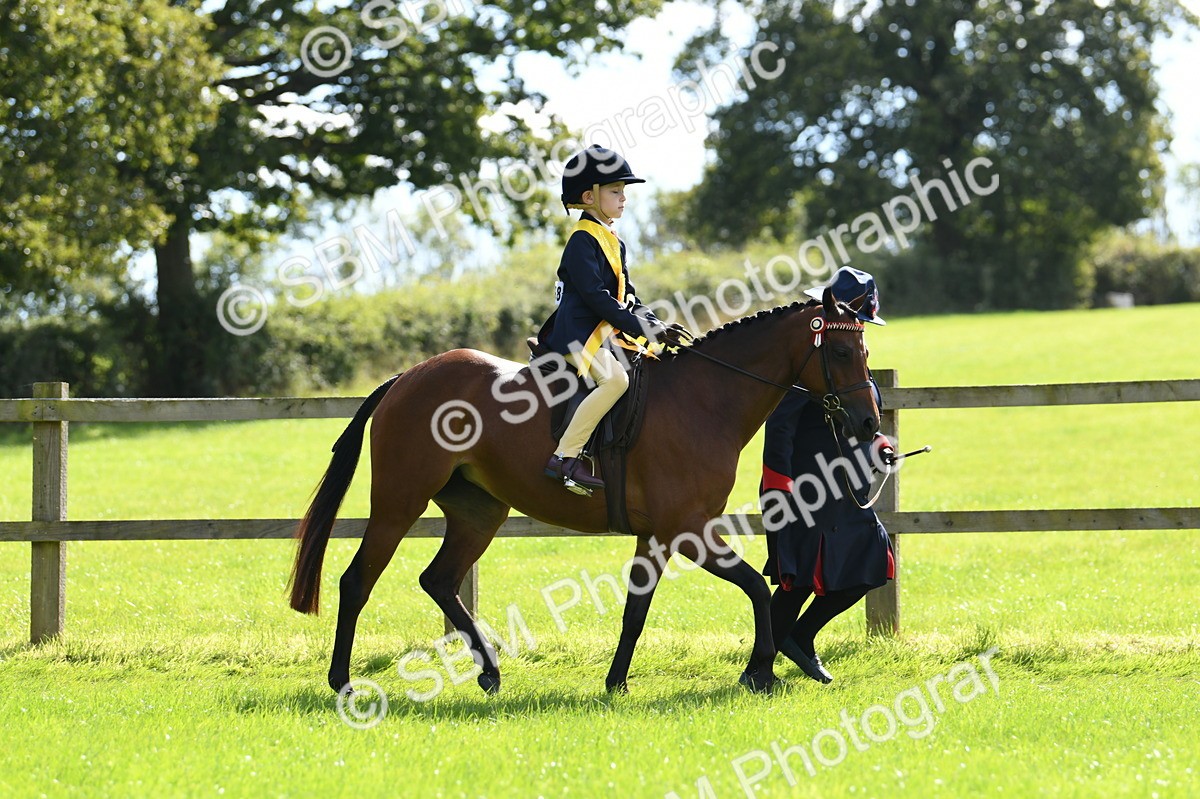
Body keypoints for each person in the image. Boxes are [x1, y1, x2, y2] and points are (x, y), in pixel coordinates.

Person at [760, 266, 894, 683]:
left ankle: (801, 636)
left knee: (874, 565)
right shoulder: (809, 363)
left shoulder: (852, 351)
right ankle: (758, 668)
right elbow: (779, 427)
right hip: (805, 487)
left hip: (849, 487)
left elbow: (863, 416)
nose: (861, 325)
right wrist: (776, 481)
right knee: (796, 580)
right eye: (859, 317)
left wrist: (879, 443)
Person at [538, 145, 685, 494]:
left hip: (602, 335)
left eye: (624, 193)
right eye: (616, 192)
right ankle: (565, 457)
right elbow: (597, 299)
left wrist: (656, 326)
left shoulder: (612, 240)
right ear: (589, 196)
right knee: (615, 380)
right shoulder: (582, 240)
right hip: (578, 337)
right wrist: (643, 329)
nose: (624, 199)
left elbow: (628, 296)